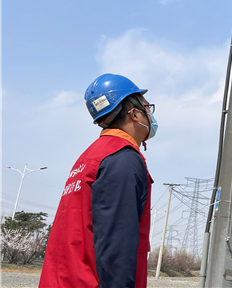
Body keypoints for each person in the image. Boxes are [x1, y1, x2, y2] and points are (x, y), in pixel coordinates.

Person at [40, 74, 157, 288]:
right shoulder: (123, 159)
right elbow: (117, 246)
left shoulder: (89, 158)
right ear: (134, 114)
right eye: (147, 107)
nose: (150, 114)